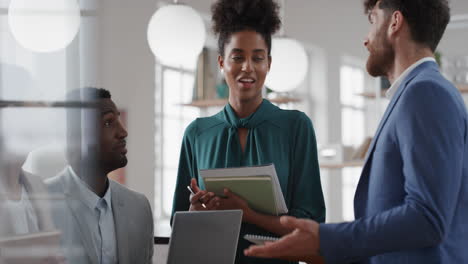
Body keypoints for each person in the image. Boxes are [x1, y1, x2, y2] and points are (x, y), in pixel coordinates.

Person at [245, 0, 468, 263]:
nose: (365, 39)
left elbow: (427, 217)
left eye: (372, 21)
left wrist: (326, 239)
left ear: (394, 23)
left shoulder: (424, 93)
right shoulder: (417, 93)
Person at [171, 0, 325, 263]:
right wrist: (194, 212)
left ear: (269, 63)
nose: (247, 67)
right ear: (221, 62)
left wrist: (248, 214)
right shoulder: (196, 134)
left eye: (257, 58)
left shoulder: (296, 127)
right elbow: (179, 226)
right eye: (238, 57)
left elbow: (310, 223)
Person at [46, 88, 154, 264]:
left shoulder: (139, 207)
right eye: (108, 122)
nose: (123, 132)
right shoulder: (42, 202)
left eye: (118, 119)